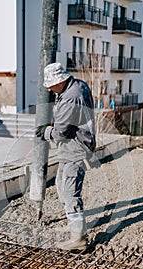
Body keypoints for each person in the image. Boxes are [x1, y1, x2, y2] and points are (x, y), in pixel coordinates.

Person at [36, 62, 96, 251]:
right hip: (71, 148)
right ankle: (75, 226)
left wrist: (46, 132)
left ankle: (78, 239)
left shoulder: (71, 97)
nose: (50, 89)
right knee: (61, 187)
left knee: (70, 193)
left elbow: (61, 132)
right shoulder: (78, 85)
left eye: (52, 85)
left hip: (75, 149)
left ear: (60, 81)